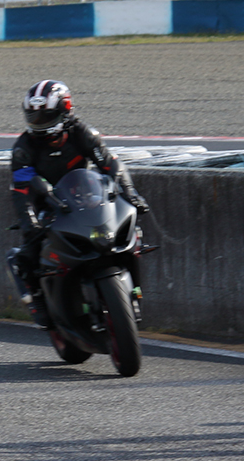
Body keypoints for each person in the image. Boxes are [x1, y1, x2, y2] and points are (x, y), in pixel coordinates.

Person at [8, 79, 149, 329]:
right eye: (33, 116)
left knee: (131, 230)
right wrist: (28, 221)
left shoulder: (83, 134)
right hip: (47, 206)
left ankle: (134, 291)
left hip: (86, 197)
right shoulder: (24, 147)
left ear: (65, 111)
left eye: (45, 116)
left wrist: (130, 193)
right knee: (27, 255)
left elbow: (111, 165)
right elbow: (21, 189)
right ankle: (36, 298)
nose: (38, 122)